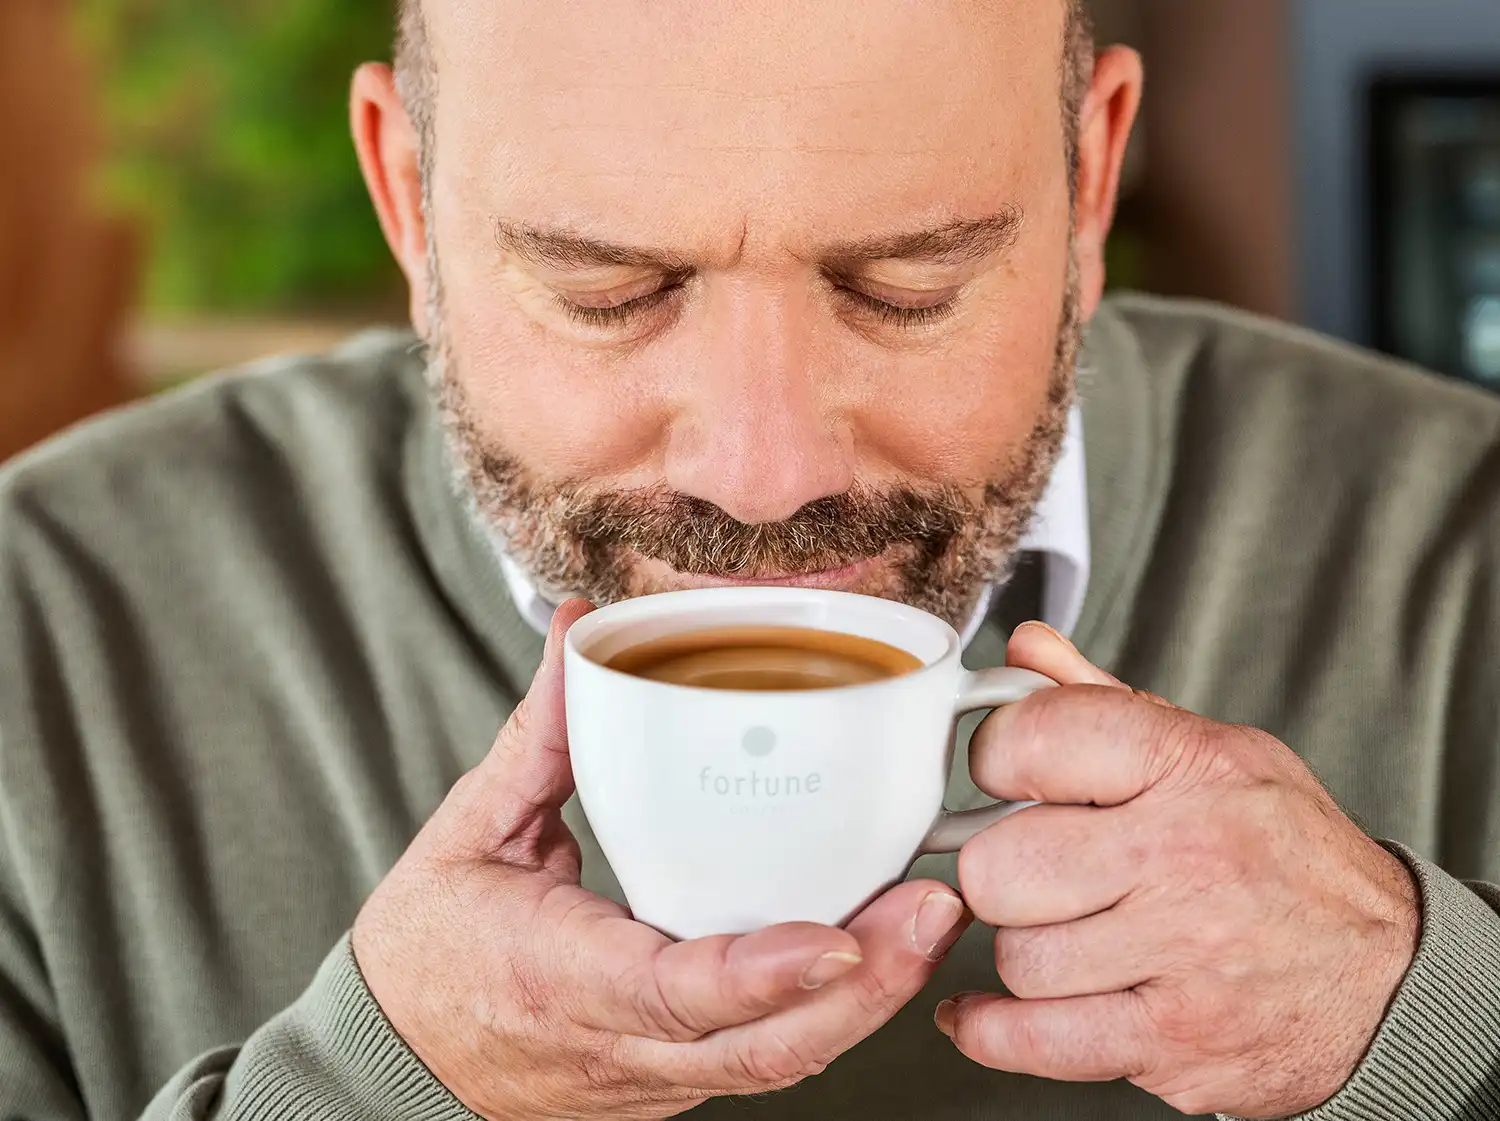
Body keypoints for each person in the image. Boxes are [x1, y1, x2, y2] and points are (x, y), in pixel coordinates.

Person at [0, 0, 1497, 1118]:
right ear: (408, 203)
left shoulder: (1465, 552)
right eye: (611, 291)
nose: (765, 477)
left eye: (908, 286)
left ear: (1092, 182)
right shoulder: (37, 622)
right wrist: (370, 1090)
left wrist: (1433, 1020)